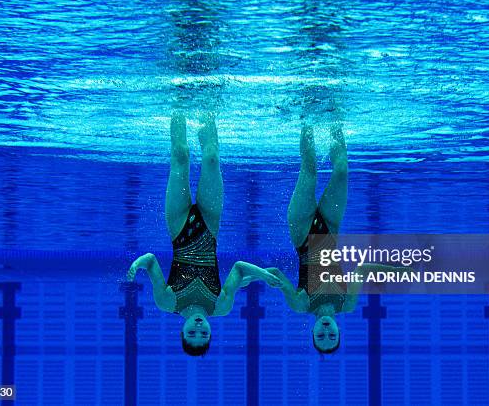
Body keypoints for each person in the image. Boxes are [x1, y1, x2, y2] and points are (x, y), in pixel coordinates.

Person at [128, 112, 281, 356]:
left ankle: (178, 103)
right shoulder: (220, 307)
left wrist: (136, 265)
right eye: (204, 334)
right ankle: (208, 108)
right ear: (211, 331)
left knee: (181, 156)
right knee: (211, 159)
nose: (198, 328)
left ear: (182, 331)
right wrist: (262, 274)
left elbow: (150, 261)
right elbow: (239, 269)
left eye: (192, 333)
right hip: (210, 225)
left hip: (178, 226)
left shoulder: (168, 303)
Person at [267, 122, 354, 354]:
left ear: (313, 331)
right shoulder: (347, 303)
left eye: (321, 336)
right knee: (342, 169)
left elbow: (275, 275)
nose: (326, 331)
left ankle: (306, 118)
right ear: (338, 331)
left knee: (309, 171)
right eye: (331, 336)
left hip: (303, 232)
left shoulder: (301, 305)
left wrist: (256, 276)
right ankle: (334, 118)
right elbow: (364, 269)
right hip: (330, 229)